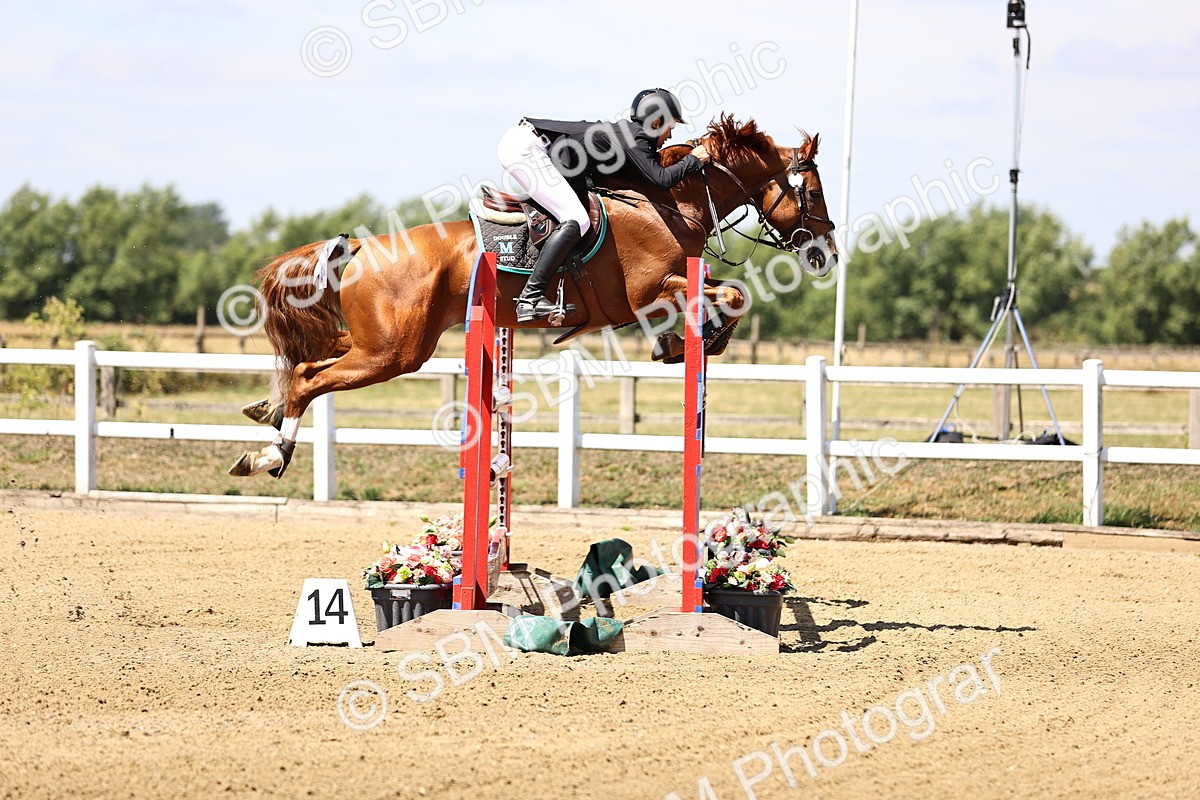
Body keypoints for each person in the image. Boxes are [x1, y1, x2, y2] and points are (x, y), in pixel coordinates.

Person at [496, 88, 712, 323]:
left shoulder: (630, 135)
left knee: (578, 215)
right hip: (527, 149)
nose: (669, 136)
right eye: (670, 126)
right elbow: (661, 179)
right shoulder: (636, 137)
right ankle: (530, 298)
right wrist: (694, 159)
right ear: (657, 121)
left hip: (534, 147)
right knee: (577, 219)